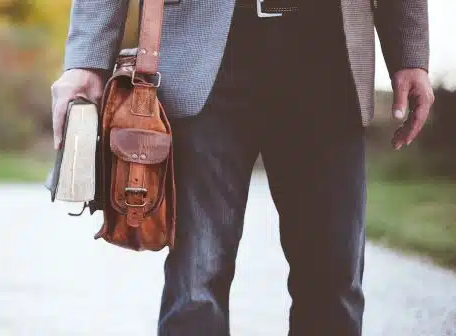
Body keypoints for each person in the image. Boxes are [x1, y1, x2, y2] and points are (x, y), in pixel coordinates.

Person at [50, 0, 434, 335]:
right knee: (196, 283)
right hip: (206, 57)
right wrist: (87, 59)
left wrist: (410, 53)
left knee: (333, 280)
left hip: (331, 55)